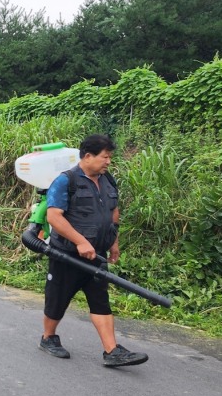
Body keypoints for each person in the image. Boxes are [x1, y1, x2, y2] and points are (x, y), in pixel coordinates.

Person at [38, 134, 148, 367]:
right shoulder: (66, 181)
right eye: (105, 157)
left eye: (110, 157)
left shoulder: (108, 180)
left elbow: (113, 212)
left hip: (96, 255)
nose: (108, 161)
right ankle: (48, 337)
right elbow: (54, 217)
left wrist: (113, 242)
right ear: (88, 156)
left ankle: (112, 351)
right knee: (57, 300)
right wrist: (80, 241)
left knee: (100, 301)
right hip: (67, 255)